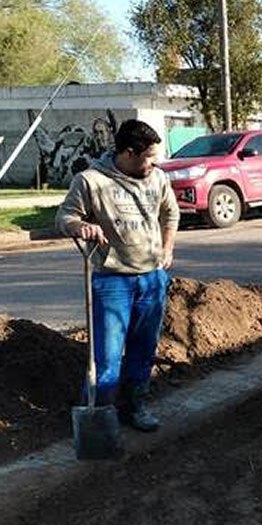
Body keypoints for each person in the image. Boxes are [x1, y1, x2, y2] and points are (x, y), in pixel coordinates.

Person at [55, 119, 179, 433]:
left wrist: (167, 248)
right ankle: (98, 416)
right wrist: (80, 226)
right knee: (107, 357)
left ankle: (134, 406)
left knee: (143, 349)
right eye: (149, 157)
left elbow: (170, 212)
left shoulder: (158, 179)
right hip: (112, 281)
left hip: (152, 279)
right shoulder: (91, 181)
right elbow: (65, 215)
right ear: (128, 152)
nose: (154, 163)